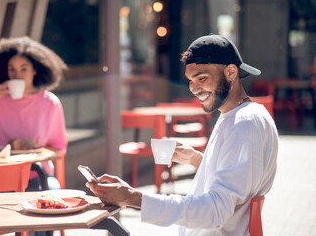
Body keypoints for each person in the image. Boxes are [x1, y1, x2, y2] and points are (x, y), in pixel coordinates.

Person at [87, 34, 278, 235]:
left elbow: (215, 211)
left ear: (231, 72)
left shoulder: (244, 122)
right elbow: (239, 181)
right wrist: (198, 160)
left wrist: (133, 198)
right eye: (190, 80)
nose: (194, 88)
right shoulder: (240, 115)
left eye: (202, 78)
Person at [0, 36, 68, 191]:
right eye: (12, 69)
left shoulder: (50, 103)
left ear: (35, 69)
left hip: (35, 174)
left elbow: (58, 149)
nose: (17, 75)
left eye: (24, 69)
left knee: (51, 192)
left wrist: (35, 150)